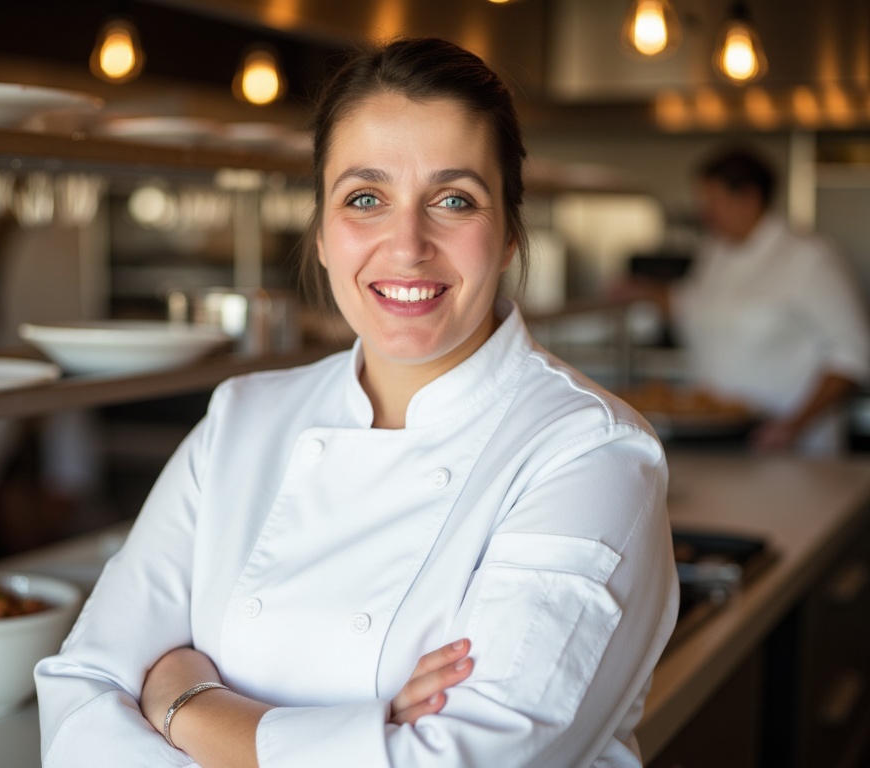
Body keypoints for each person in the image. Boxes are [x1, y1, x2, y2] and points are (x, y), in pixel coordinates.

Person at [35, 37, 678, 767]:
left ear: (508, 237)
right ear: (320, 233)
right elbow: (81, 695)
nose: (406, 245)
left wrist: (184, 703)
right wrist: (371, 735)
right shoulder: (242, 419)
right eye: (365, 198)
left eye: (454, 199)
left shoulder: (588, 452)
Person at [668, 146, 870, 454]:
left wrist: (793, 425)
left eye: (713, 201)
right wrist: (646, 293)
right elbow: (696, 307)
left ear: (749, 198)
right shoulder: (715, 251)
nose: (704, 213)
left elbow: (853, 354)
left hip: (791, 447)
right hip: (717, 439)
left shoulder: (808, 257)